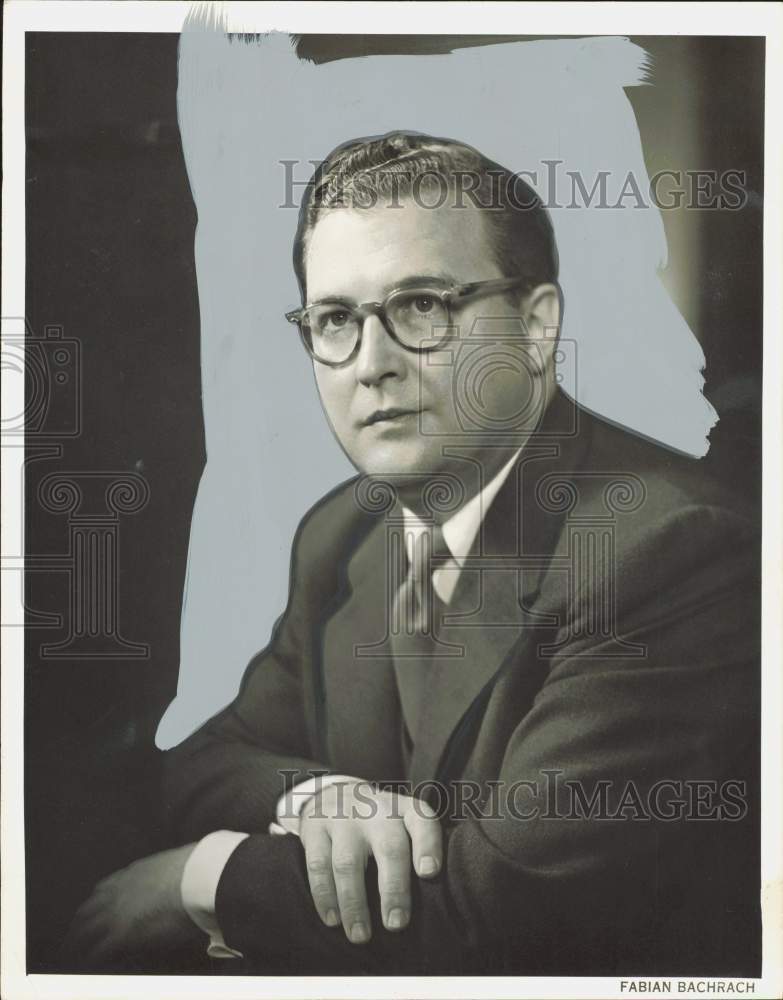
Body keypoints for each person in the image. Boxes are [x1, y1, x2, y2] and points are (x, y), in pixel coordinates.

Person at [66, 132, 760, 976]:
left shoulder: (670, 549)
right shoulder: (344, 533)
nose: (371, 365)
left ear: (537, 328)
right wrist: (319, 796)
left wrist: (198, 880)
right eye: (334, 320)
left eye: (422, 306)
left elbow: (498, 910)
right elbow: (204, 761)